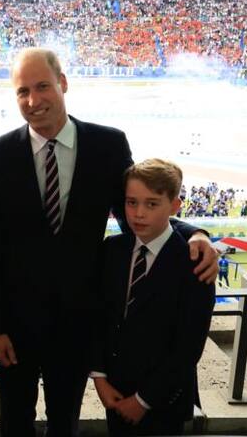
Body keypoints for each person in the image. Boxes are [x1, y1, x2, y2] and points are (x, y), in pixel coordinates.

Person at [0, 48, 218, 437]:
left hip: (77, 323)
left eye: (42, 87)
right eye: (22, 91)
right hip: (15, 328)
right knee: (14, 423)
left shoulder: (107, 145)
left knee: (64, 422)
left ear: (63, 83)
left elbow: (139, 211)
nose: (33, 101)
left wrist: (196, 234)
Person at [91, 159, 215, 436]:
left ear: (174, 206)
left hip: (163, 400)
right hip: (115, 391)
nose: (138, 214)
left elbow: (188, 346)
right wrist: (99, 376)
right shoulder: (112, 250)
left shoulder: (195, 263)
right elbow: (98, 318)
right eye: (131, 202)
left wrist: (144, 400)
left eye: (152, 203)